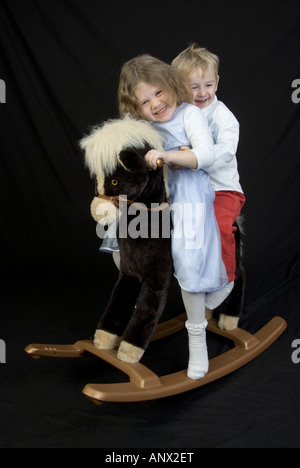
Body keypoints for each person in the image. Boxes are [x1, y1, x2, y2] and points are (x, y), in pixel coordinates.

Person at [118, 54, 228, 379]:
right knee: (120, 243)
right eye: (144, 101)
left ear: (170, 85)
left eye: (158, 93)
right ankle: (127, 315)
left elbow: (207, 154)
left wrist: (168, 154)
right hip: (158, 204)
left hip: (189, 197)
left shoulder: (188, 114)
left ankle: (198, 340)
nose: (154, 104)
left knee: (188, 259)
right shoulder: (144, 126)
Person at [172, 44, 245, 312]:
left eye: (209, 84)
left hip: (222, 189)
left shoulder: (222, 116)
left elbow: (226, 151)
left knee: (218, 227)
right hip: (191, 190)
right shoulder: (179, 113)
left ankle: (226, 280)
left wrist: (194, 156)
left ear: (217, 83)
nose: (202, 93)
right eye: (193, 87)